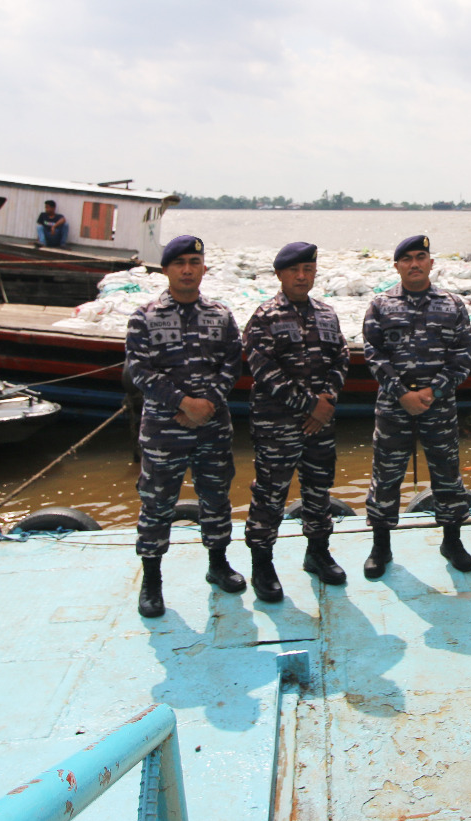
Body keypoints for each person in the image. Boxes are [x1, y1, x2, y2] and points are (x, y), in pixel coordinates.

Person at [126, 235, 244, 617]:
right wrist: (183, 403)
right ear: (166, 270)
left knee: (216, 497)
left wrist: (206, 403)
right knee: (157, 504)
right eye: (180, 263)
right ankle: (152, 581)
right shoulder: (144, 317)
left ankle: (218, 565)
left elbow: (232, 363)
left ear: (204, 268)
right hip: (164, 429)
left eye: (195, 262)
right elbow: (139, 370)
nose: (188, 269)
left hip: (212, 425)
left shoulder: (221, 315)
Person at [361, 234, 471, 577]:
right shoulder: (381, 306)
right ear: (396, 265)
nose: (414, 263)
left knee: (447, 474)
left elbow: (462, 357)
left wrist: (432, 393)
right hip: (394, 407)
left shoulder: (453, 305)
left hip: (439, 408)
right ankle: (381, 545)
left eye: (421, 257)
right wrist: (401, 393)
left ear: (431, 262)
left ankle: (452, 539)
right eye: (407, 258)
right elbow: (373, 353)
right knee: (385, 476)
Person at [241, 242, 350, 602]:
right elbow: (265, 373)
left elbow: (342, 357)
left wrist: (329, 400)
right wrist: (310, 406)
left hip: (320, 425)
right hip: (277, 425)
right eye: (294, 271)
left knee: (319, 491)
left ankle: (317, 552)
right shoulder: (264, 318)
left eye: (308, 269)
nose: (302, 277)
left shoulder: (327, 314)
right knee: (270, 495)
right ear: (280, 275)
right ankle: (262, 563)